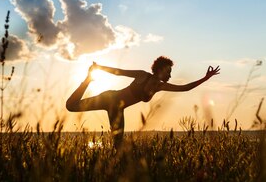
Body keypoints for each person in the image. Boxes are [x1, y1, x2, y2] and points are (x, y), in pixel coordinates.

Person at [66, 56, 220, 149]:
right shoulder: (142, 75)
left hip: (117, 110)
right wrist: (99, 67)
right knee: (71, 106)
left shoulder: (160, 86)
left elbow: (185, 88)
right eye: (168, 70)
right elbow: (118, 72)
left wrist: (206, 78)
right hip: (108, 99)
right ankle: (87, 81)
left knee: (118, 145)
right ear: (159, 69)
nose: (170, 74)